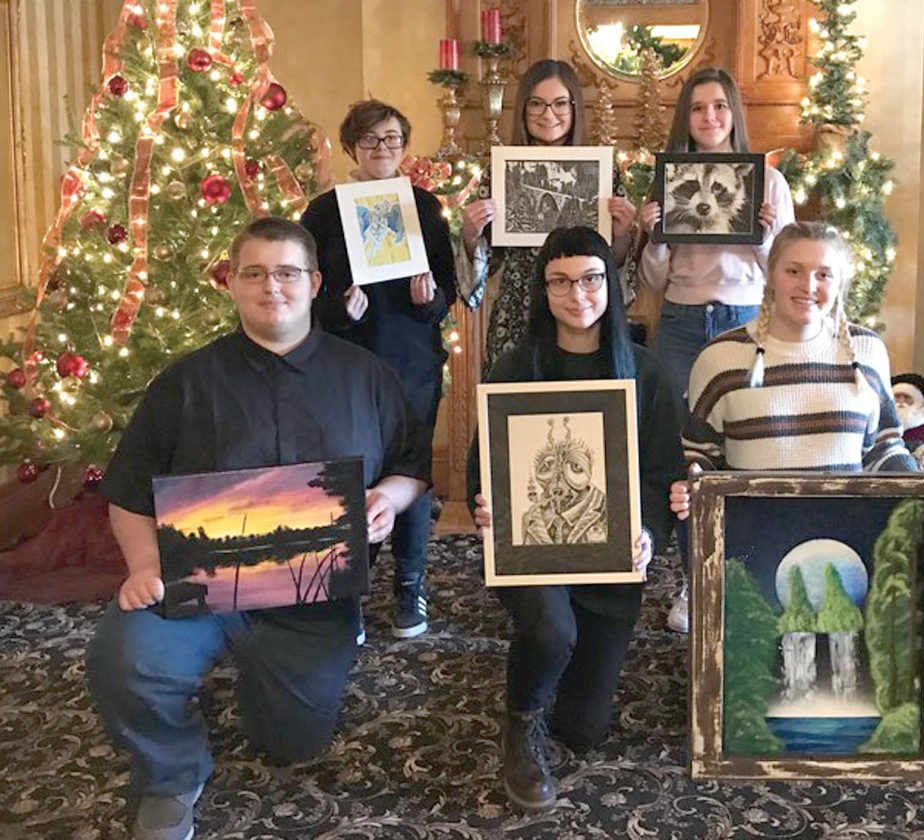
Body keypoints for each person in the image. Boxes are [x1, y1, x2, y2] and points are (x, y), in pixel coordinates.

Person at [85, 217, 430, 840]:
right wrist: (143, 565)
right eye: (255, 273)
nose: (272, 286)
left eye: (288, 273)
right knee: (123, 657)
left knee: (294, 743)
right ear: (232, 283)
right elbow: (128, 492)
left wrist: (389, 496)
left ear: (315, 282)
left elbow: (413, 465)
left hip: (315, 599)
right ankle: (170, 774)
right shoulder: (184, 382)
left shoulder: (367, 375)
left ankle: (270, 685)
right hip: (192, 591)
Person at [467, 227, 682, 812]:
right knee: (551, 632)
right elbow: (481, 469)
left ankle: (550, 670)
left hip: (611, 560)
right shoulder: (513, 368)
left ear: (610, 283)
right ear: (543, 291)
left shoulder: (647, 373)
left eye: (590, 279)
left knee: (583, 730)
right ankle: (519, 722)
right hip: (530, 550)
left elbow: (663, 474)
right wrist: (486, 504)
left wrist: (647, 534)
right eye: (560, 282)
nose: (577, 294)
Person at [669, 221, 924, 522]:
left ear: (840, 284)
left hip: (846, 537)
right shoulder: (720, 358)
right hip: (751, 537)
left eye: (824, 275)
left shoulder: (867, 351)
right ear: (771, 276)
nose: (808, 286)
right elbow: (698, 455)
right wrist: (689, 485)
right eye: (793, 271)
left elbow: (883, 449)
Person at [638, 67, 795, 633]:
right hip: (681, 323)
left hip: (744, 323)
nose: (710, 117)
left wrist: (764, 238)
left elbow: (784, 274)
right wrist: (656, 237)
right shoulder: (667, 182)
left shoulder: (768, 183)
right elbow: (653, 281)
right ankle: (692, 580)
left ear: (734, 114)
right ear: (687, 117)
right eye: (699, 107)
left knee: (748, 449)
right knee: (689, 458)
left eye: (720, 106)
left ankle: (748, 578)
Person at [302, 99, 457, 639]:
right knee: (350, 471)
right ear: (351, 148)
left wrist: (428, 300)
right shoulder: (323, 213)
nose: (382, 149)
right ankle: (350, 589)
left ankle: (410, 584)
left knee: (412, 471)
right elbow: (306, 291)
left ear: (404, 146)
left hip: (413, 362)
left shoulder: (424, 207)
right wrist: (339, 311)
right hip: (346, 365)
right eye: (370, 140)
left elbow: (446, 291)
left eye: (392, 139)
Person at [458, 59, 637, 375]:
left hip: (583, 312)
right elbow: (488, 263)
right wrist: (472, 234)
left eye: (560, 104)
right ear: (523, 109)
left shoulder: (602, 172)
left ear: (574, 107)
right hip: (519, 310)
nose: (548, 114)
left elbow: (612, 261)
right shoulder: (500, 172)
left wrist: (622, 233)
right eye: (537, 104)